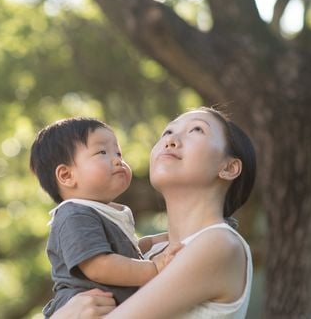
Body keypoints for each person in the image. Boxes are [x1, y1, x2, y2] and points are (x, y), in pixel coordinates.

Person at [51, 107, 256, 319]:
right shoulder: (147, 256)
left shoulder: (220, 244)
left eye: (196, 130)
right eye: (166, 133)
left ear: (229, 167)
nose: (171, 140)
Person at [29, 117, 174, 318]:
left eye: (118, 153)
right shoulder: (74, 213)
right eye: (102, 152)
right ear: (66, 175)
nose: (117, 160)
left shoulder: (101, 211)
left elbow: (120, 254)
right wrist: (153, 268)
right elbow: (99, 266)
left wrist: (156, 241)